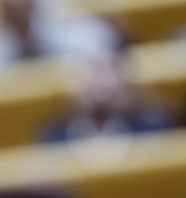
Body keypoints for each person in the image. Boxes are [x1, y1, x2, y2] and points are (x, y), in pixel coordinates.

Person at [39, 51, 173, 144]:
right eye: (95, 70)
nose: (103, 82)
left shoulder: (153, 130)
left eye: (111, 70)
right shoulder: (55, 138)